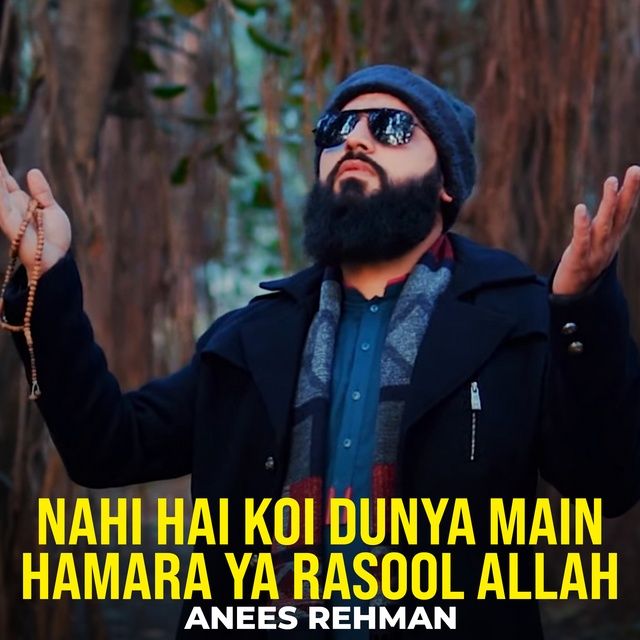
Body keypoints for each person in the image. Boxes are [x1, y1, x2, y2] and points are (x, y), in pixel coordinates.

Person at [1, 64, 639, 639]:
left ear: (446, 180)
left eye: (390, 127)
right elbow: (107, 445)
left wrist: (583, 308)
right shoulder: (251, 337)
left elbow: (606, 482)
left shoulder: (518, 320)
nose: (354, 140)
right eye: (336, 129)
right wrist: (45, 277)